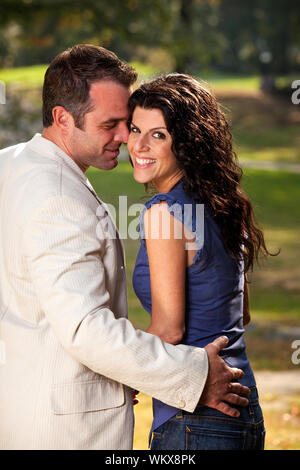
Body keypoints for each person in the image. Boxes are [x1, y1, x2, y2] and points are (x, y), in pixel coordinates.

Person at [0, 45, 250, 450]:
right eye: (113, 125)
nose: (125, 138)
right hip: (61, 429)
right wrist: (184, 374)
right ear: (63, 118)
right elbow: (85, 329)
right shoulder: (57, 197)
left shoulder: (11, 166)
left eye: (131, 125)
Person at [128, 73, 268, 450]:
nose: (138, 145)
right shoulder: (222, 202)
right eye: (134, 128)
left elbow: (170, 330)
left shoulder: (164, 212)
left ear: (187, 143)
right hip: (244, 409)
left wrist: (122, 373)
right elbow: (242, 314)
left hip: (197, 416)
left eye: (158, 134)